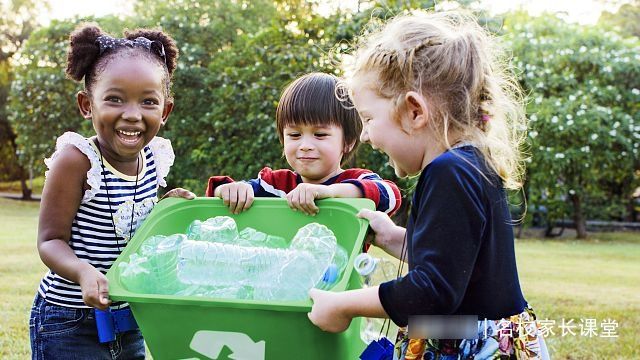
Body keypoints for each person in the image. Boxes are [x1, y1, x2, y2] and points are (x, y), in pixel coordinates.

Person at [307, 11, 550, 359]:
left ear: (414, 112)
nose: (366, 136)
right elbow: (456, 263)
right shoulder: (470, 162)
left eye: (369, 119)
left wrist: (344, 305)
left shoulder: (448, 172)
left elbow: (433, 291)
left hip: (468, 346)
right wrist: (392, 237)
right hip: (493, 338)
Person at [30, 24, 194, 359]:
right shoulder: (76, 161)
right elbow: (50, 240)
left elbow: (132, 225)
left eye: (148, 102)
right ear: (86, 104)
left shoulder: (154, 158)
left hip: (129, 316)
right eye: (114, 99)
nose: (132, 115)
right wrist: (84, 273)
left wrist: (165, 210)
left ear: (165, 111)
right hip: (70, 321)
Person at [205, 72, 401, 217]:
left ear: (348, 142)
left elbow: (391, 196)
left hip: (343, 273)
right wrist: (229, 190)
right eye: (295, 134)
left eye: (320, 134)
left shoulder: (356, 180)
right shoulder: (275, 186)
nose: (305, 145)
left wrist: (330, 192)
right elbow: (218, 194)